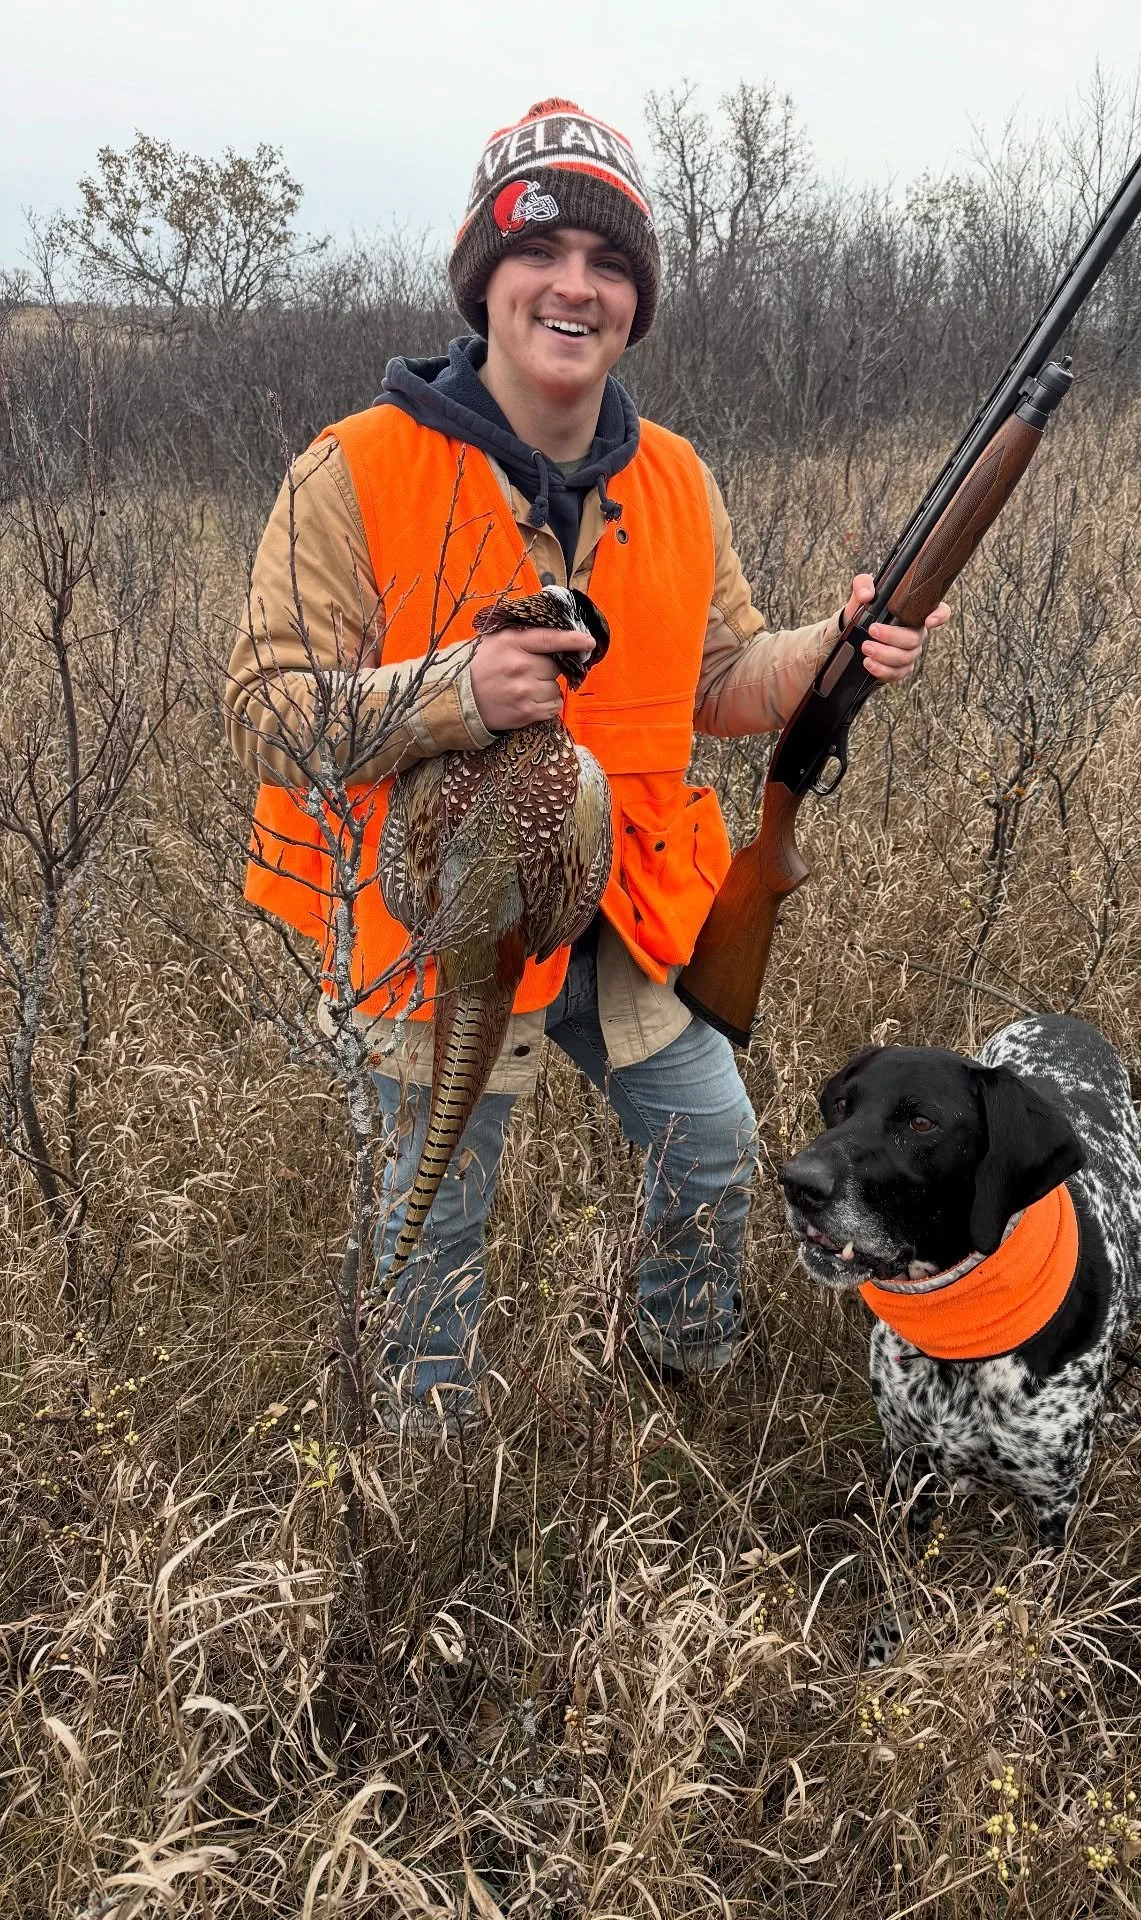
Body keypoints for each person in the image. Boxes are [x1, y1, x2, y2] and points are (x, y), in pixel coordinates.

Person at [226, 97, 949, 1430]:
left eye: (610, 264)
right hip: (444, 916)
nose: (575, 286)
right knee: (438, 1200)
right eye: (541, 253)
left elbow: (721, 680)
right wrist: (453, 695)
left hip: (620, 896)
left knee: (713, 1142)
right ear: (484, 279)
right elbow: (265, 710)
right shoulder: (353, 470)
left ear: (637, 303)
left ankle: (691, 1373)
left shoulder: (674, 477)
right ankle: (421, 1437)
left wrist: (838, 645)